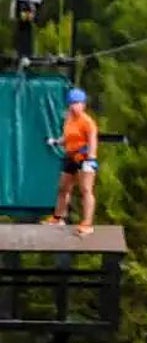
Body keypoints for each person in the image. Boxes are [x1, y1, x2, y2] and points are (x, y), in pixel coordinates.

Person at [41, 87, 98, 235]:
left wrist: (91, 159)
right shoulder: (69, 119)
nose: (74, 106)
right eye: (71, 103)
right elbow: (67, 137)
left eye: (77, 103)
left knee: (86, 190)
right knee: (63, 188)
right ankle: (58, 218)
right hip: (70, 157)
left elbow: (92, 141)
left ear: (83, 105)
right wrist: (55, 142)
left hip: (85, 158)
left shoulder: (87, 122)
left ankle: (87, 224)